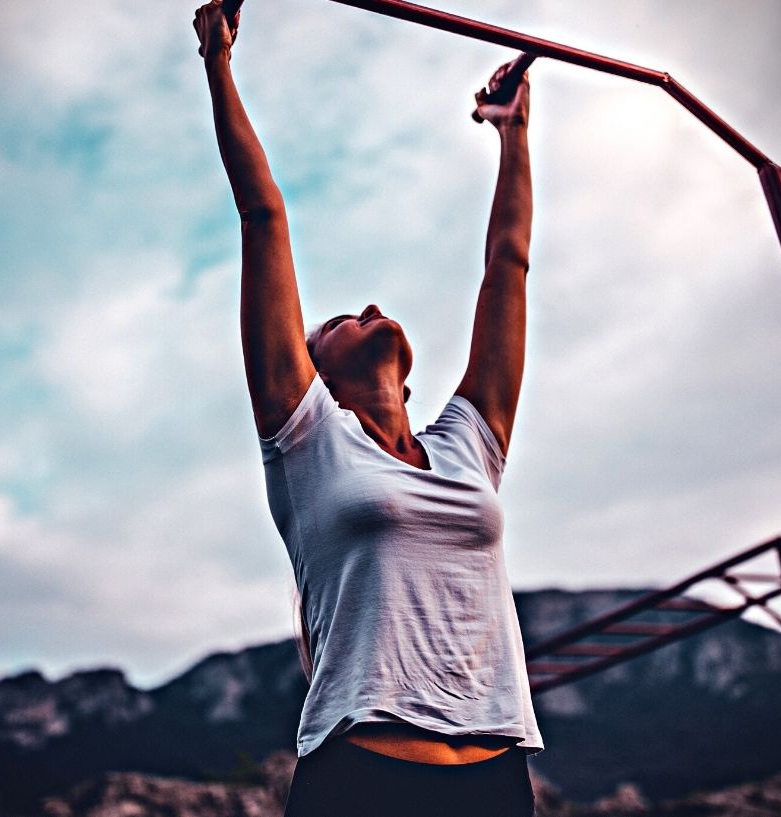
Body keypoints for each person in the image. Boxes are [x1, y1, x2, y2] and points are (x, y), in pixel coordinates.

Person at [194, 1, 541, 814]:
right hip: (362, 780)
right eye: (342, 318)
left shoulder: (467, 444)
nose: (371, 307)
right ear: (315, 372)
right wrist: (217, 61)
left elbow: (509, 267)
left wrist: (513, 133)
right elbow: (263, 217)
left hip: (494, 780)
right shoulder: (309, 439)